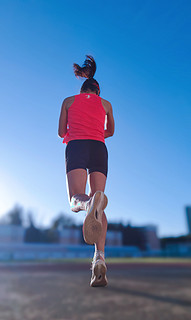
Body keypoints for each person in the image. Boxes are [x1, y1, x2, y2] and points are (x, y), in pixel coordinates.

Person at [58, 55, 115, 287]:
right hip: (99, 147)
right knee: (98, 204)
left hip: (78, 145)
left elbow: (62, 132)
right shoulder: (106, 104)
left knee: (75, 200)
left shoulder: (69, 101)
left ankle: (87, 204)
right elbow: (109, 131)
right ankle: (99, 258)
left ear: (82, 90)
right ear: (97, 91)